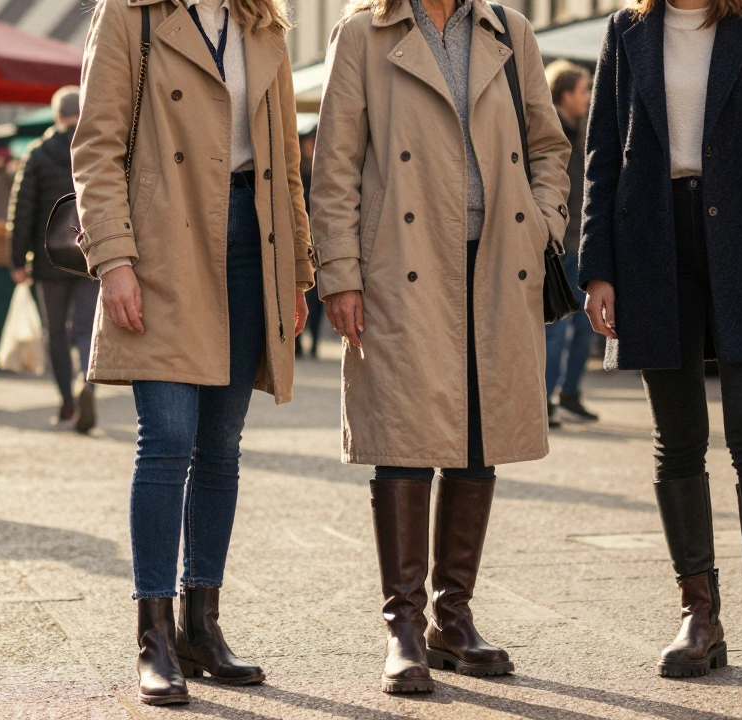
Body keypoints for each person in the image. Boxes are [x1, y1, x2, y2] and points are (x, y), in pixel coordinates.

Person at [313, 0, 571, 695]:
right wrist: (338, 270)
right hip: (400, 259)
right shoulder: (363, 32)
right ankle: (403, 625)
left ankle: (452, 619)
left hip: (497, 260)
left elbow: (549, 145)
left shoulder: (510, 31)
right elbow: (333, 161)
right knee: (401, 434)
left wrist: (543, 224)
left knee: (479, 435)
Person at [580, 0, 742, 692]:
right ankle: (700, 615)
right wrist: (596, 266)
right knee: (679, 436)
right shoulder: (627, 29)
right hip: (653, 242)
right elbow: (602, 153)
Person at [73, 0, 312, 706]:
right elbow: (95, 145)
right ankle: (152, 633)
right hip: (163, 243)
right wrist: (113, 258)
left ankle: (200, 626)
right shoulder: (129, 14)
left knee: (221, 445)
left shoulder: (262, 25)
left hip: (251, 243)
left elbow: (288, 162)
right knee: (167, 437)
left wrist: (295, 270)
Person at [9, 87, 101, 433]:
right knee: (86, 328)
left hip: (49, 260)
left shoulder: (37, 153)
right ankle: (86, 384)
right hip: (92, 254)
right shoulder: (96, 147)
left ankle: (66, 403)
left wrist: (17, 259)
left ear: (56, 114)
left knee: (56, 332)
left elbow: (21, 211)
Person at [543, 59, 598, 427]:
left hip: (577, 239)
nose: (589, 96)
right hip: (559, 243)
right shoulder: (553, 132)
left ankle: (569, 395)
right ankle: (545, 402)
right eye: (584, 89)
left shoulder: (579, 129)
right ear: (565, 94)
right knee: (557, 327)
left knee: (580, 326)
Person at [297, 128, 323, 358]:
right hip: (299, 238)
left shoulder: (321, 173)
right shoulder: (299, 173)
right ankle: (296, 344)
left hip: (318, 241)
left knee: (317, 298)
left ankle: (313, 342)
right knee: (298, 289)